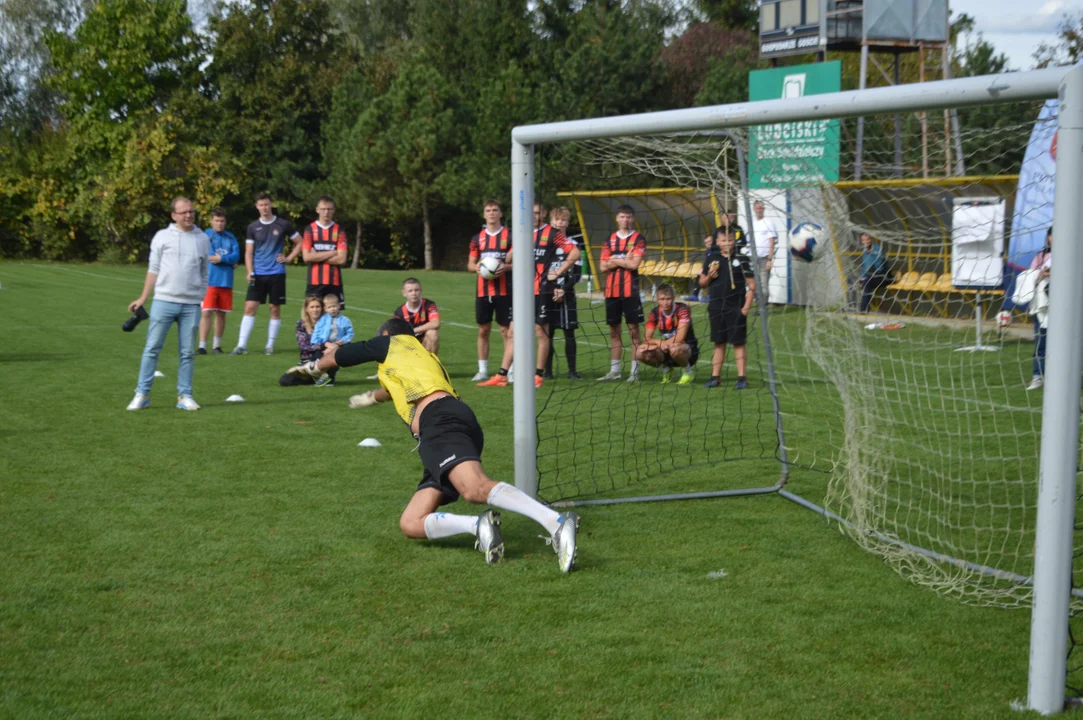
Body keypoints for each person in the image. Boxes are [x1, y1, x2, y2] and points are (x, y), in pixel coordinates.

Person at [285, 317, 581, 572]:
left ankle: (555, 522)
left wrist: (313, 367)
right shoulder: (420, 357)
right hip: (442, 426)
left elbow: (347, 354)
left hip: (440, 422)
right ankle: (478, 526)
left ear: (387, 335)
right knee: (411, 522)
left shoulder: (394, 342)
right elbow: (390, 391)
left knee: (475, 488)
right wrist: (368, 398)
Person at [480, 202, 580, 389]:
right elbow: (510, 258)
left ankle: (538, 376)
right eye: (530, 213)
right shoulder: (520, 234)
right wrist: (504, 260)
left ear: (543, 214)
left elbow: (575, 253)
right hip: (521, 291)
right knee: (512, 333)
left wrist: (557, 273)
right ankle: (502, 375)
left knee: (541, 333)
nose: (533, 216)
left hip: (542, 290)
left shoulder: (552, 233)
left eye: (536, 213)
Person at [126, 197, 209, 411]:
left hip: (191, 305)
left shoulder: (202, 239)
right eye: (183, 212)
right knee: (152, 348)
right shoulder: (162, 237)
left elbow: (204, 272)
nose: (188, 215)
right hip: (163, 300)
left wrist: (199, 296)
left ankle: (185, 396)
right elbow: (153, 269)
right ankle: (141, 394)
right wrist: (143, 298)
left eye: (191, 211)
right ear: (174, 215)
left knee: (187, 352)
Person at [231, 192, 303, 356]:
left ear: (271, 205)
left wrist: (289, 258)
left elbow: (300, 242)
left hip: (277, 273)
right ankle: (241, 345)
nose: (264, 207)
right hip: (258, 274)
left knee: (274, 308)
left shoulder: (283, 224)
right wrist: (250, 271)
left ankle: (269, 345)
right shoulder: (252, 227)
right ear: (257, 207)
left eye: (266, 204)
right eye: (261, 205)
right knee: (250, 307)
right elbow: (249, 253)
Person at [698, 225, 755, 390]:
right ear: (717, 241)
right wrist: (709, 276)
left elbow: (752, 286)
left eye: (730, 240)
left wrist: (745, 308)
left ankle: (742, 378)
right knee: (718, 342)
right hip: (716, 307)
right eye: (723, 240)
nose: (727, 243)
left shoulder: (742, 259)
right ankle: (715, 377)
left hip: (735, 308)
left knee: (738, 343)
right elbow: (701, 283)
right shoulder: (711, 259)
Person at [467, 199, 514, 383]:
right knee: (483, 330)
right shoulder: (477, 238)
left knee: (505, 330)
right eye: (488, 210)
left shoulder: (510, 236)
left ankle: (509, 369)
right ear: (484, 214)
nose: (492, 213)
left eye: (495, 210)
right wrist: (478, 267)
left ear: (500, 214)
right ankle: (483, 370)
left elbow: (518, 261)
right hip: (483, 291)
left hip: (505, 291)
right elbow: (470, 265)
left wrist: (506, 268)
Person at [598, 204, 645, 382]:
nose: (625, 220)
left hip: (630, 291)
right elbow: (602, 266)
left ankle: (634, 372)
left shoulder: (638, 239)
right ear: (617, 218)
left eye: (629, 217)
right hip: (611, 292)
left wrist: (614, 259)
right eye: (622, 217)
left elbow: (634, 265)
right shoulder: (609, 239)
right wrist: (623, 259)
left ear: (633, 219)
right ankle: (615, 371)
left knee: (634, 331)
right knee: (614, 331)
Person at [545, 206, 583, 380]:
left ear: (568, 223)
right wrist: (552, 289)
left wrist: (563, 289)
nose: (560, 223)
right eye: (557, 220)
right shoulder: (545, 245)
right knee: (547, 333)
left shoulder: (574, 246)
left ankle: (573, 371)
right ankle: (548, 372)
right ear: (551, 222)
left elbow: (577, 274)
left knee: (569, 332)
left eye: (563, 220)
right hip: (547, 294)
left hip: (566, 294)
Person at [634, 284, 699, 385]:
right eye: (662, 299)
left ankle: (688, 372)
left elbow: (680, 337)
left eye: (668, 299)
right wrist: (660, 343)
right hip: (667, 349)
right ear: (657, 300)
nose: (665, 302)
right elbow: (647, 338)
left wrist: (664, 344)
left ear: (673, 298)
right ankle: (666, 369)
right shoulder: (654, 313)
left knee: (674, 348)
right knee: (640, 352)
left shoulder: (682, 309)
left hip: (687, 350)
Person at [197, 208, 240, 355]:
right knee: (207, 312)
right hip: (210, 281)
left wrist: (222, 259)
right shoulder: (206, 236)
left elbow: (236, 256)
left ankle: (216, 346)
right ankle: (202, 346)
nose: (219, 223)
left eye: (222, 221)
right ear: (211, 221)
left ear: (225, 222)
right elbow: (208, 256)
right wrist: (228, 260)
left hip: (226, 281)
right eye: (216, 220)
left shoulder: (230, 237)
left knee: (221, 313)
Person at [302, 195, 348, 306]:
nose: (326, 212)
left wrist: (316, 256)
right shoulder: (310, 229)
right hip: (314, 282)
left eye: (329, 209)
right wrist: (332, 253)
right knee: (312, 317)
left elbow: (342, 259)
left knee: (334, 317)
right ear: (317, 210)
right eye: (323, 209)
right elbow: (307, 257)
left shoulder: (339, 230)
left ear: (333, 210)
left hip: (334, 282)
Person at [279, 296, 325, 387]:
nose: (315, 310)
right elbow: (303, 345)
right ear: (306, 309)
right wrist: (323, 345)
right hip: (306, 360)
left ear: (322, 308)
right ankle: (314, 377)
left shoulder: (327, 323)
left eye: (317, 307)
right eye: (312, 307)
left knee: (322, 353)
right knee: (284, 380)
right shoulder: (301, 324)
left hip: (322, 358)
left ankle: (319, 375)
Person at [309, 294, 354, 387]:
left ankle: (330, 379)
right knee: (316, 359)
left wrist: (341, 342)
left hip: (340, 344)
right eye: (330, 307)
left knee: (332, 358)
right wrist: (325, 344)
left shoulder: (345, 320)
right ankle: (319, 376)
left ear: (339, 306)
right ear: (325, 309)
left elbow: (350, 334)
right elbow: (316, 336)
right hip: (325, 345)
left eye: (334, 306)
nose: (332, 309)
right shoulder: (322, 320)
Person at [1027, 227, 1053, 390]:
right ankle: (1037, 376)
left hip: (1064, 305)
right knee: (1041, 341)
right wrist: (1041, 275)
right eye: (1051, 235)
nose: (1053, 238)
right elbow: (1030, 277)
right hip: (1042, 304)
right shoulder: (1041, 256)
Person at [394, 277, 441, 354]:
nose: (414, 293)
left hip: (424, 342)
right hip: (409, 344)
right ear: (404, 293)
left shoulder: (429, 305)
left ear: (421, 291)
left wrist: (413, 330)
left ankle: (432, 362)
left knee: (432, 333)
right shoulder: (399, 312)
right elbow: (398, 335)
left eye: (416, 290)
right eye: (410, 291)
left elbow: (436, 323)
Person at [857, 232, 892, 313]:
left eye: (868, 239)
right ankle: (855, 307)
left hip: (884, 277)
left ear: (871, 239)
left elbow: (878, 267)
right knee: (853, 280)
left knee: (867, 281)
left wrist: (866, 276)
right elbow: (864, 267)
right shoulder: (865, 252)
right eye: (863, 240)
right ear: (861, 241)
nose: (866, 241)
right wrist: (860, 277)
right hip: (872, 277)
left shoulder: (877, 250)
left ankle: (863, 309)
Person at [750, 200, 779, 278]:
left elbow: (772, 242)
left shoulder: (768, 223)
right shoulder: (752, 223)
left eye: (760, 208)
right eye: (757, 208)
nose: (758, 210)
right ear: (754, 209)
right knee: (754, 285)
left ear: (763, 209)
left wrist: (769, 260)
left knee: (764, 287)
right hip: (753, 259)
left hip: (764, 259)